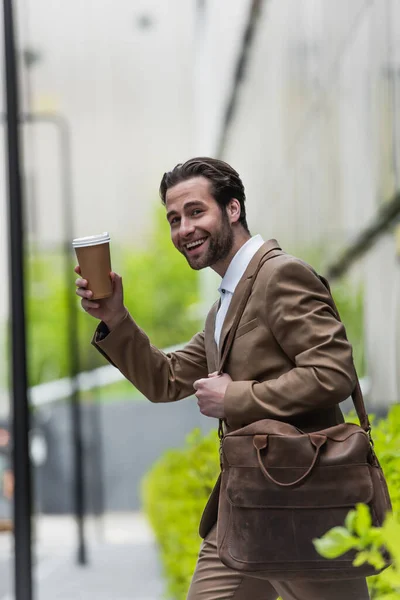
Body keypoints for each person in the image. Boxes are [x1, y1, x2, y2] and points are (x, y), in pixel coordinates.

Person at [75, 157, 370, 600]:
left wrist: (235, 398)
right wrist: (116, 317)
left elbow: (333, 372)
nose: (183, 229)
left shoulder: (280, 275)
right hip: (244, 504)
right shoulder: (225, 306)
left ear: (233, 209)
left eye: (196, 212)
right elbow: (166, 379)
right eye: (174, 219)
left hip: (301, 500)